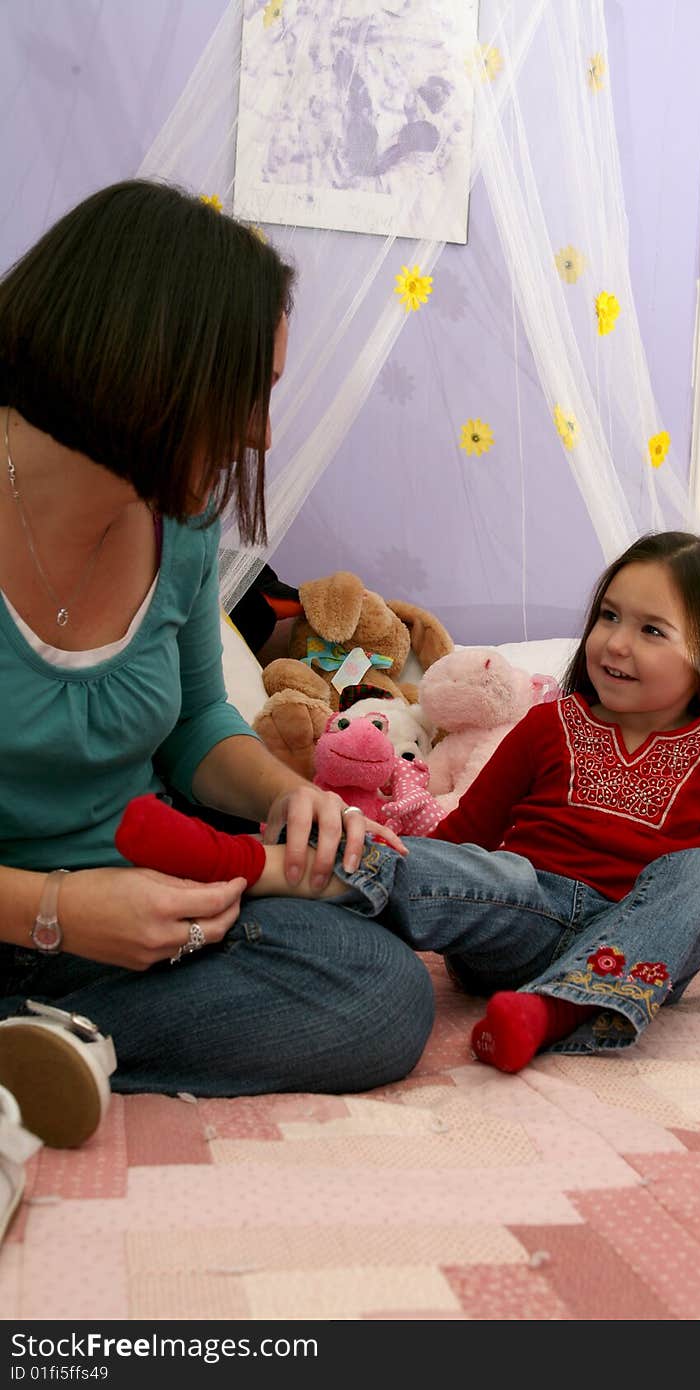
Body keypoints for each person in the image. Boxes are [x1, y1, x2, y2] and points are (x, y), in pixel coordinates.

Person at [0, 179, 436, 1145]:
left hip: (129, 911)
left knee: (382, 995)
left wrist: (283, 796)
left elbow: (200, 722)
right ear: (147, 365)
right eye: (249, 391)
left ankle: (40, 1047)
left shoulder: (182, 523)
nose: (261, 434)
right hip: (36, 911)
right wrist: (55, 910)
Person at [116, 530, 700, 1076]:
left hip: (631, 946)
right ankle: (233, 858)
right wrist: (414, 855)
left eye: (653, 630)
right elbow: (467, 834)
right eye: (610, 617)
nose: (616, 642)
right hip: (519, 917)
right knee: (464, 866)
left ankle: (550, 1014)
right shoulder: (547, 723)